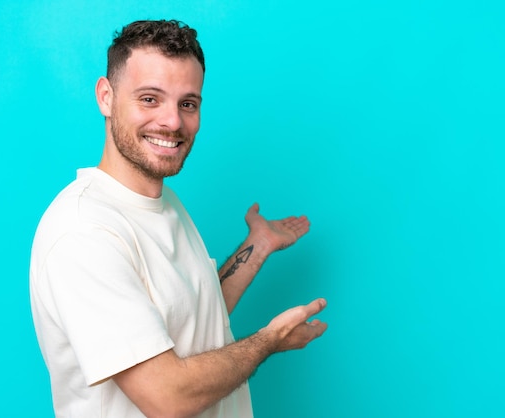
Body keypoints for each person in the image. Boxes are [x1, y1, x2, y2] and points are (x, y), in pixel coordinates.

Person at [30, 19, 327, 418]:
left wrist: (257, 247)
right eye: (150, 99)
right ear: (105, 96)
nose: (172, 122)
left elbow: (192, 321)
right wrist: (268, 341)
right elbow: (168, 397)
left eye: (188, 103)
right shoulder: (84, 231)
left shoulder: (162, 200)